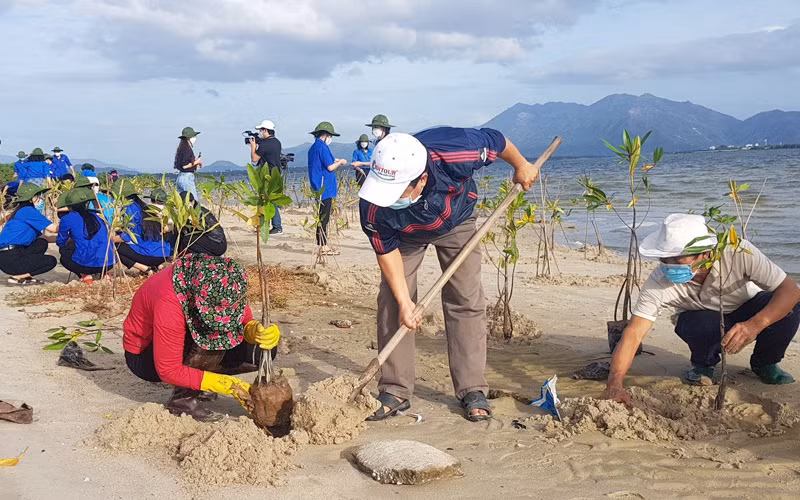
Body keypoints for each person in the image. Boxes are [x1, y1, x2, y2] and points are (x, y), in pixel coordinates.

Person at [357, 128, 540, 422]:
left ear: (422, 180)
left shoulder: (457, 151)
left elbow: (497, 140)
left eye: (397, 193)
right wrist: (406, 303)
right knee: (393, 299)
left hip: (457, 220)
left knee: (465, 296)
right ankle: (395, 388)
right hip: (404, 235)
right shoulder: (374, 203)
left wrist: (521, 166)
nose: (387, 199)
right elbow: (386, 254)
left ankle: (471, 388)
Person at [602, 214, 800, 404]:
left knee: (792, 305)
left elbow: (790, 290)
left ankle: (766, 363)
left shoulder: (737, 252)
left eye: (678, 259)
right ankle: (703, 365)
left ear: (705, 254)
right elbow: (635, 331)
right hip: (701, 319)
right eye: (665, 259)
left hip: (748, 306)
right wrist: (614, 383)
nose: (670, 266)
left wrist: (755, 325)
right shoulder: (659, 281)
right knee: (698, 324)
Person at [122, 254, 281, 421]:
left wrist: (253, 330)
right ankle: (182, 400)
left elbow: (242, 319)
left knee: (261, 350)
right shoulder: (169, 302)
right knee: (210, 335)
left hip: (184, 340)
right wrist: (225, 384)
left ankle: (196, 380)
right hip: (145, 358)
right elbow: (168, 369)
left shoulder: (225, 282)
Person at [0, 184, 59, 284]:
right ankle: (18, 277)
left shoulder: (22, 211)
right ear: (32, 198)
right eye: (39, 196)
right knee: (51, 261)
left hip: (8, 255)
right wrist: (70, 224)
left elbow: (46, 237)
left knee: (41, 242)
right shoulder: (28, 211)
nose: (41, 199)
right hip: (10, 257)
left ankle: (23, 274)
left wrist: (68, 238)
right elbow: (54, 229)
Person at [110, 179, 172, 274]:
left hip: (150, 255)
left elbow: (127, 236)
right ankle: (155, 266)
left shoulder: (128, 208)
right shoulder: (142, 206)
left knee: (115, 246)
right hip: (163, 253)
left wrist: (111, 239)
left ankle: (145, 269)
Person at [56, 188, 116, 284]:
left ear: (69, 206)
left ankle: (85, 274)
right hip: (109, 263)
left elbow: (60, 242)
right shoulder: (97, 215)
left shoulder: (67, 218)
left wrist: (71, 241)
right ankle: (104, 274)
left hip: (85, 265)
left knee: (64, 254)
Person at [307, 121, 347, 256]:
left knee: (321, 216)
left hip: (317, 186)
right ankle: (323, 247)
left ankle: (322, 244)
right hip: (325, 187)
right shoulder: (322, 147)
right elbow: (329, 167)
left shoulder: (314, 147)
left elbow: (326, 161)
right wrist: (340, 163)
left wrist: (335, 160)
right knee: (324, 217)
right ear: (326, 135)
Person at [249, 119, 283, 235]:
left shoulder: (264, 144)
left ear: (265, 131)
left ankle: (277, 227)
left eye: (261, 130)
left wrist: (253, 147)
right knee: (273, 200)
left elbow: (254, 159)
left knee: (269, 201)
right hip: (277, 174)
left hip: (267, 175)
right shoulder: (277, 142)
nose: (260, 133)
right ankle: (270, 226)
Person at [170, 192, 227, 257]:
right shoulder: (184, 214)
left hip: (217, 243)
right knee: (186, 240)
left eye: (186, 203)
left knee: (187, 240)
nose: (184, 206)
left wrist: (192, 220)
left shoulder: (200, 212)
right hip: (208, 243)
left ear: (193, 202)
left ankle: (209, 258)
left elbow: (205, 231)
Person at [174, 126, 202, 201]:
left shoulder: (182, 148)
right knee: (194, 203)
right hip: (186, 178)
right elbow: (184, 166)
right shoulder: (187, 149)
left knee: (183, 203)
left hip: (180, 177)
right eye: (194, 136)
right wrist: (197, 161)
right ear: (188, 138)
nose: (195, 138)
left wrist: (195, 163)